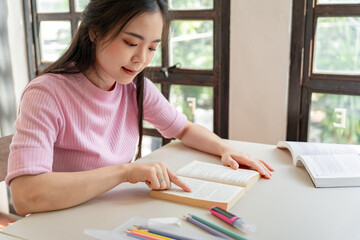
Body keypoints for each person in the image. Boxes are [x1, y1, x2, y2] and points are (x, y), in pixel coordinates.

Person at [6, 0, 274, 216]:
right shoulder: (46, 93)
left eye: (152, 48)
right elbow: (27, 195)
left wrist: (226, 149)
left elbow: (184, 128)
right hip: (60, 222)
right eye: (131, 43)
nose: (141, 59)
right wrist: (125, 172)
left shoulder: (134, 88)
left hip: (115, 215)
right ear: (94, 31)